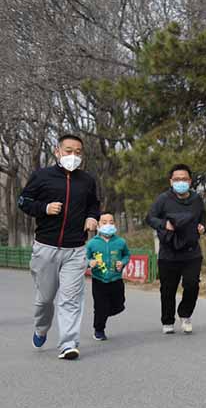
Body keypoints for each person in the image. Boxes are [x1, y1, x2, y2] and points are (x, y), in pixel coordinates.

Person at [17, 134, 100, 360]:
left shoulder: (87, 180)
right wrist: (44, 208)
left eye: (78, 152)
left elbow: (94, 205)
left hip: (75, 249)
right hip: (46, 247)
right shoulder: (42, 176)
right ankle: (41, 328)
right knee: (44, 299)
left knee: (71, 299)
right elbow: (23, 201)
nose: (73, 156)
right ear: (57, 151)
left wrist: (92, 217)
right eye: (68, 151)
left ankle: (68, 343)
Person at [146, 164, 206, 334]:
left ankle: (185, 313)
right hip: (168, 252)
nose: (181, 182)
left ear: (190, 181)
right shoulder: (163, 199)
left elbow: (202, 216)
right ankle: (167, 321)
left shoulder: (196, 199)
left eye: (184, 179)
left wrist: (203, 227)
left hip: (191, 251)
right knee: (168, 289)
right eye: (177, 179)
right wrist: (163, 224)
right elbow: (150, 218)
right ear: (171, 181)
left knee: (192, 284)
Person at [86, 212, 130, 341]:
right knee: (100, 306)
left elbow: (127, 255)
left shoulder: (120, 242)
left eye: (111, 222)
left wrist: (122, 263)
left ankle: (105, 312)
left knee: (119, 305)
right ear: (98, 225)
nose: (108, 225)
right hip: (99, 279)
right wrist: (90, 263)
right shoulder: (92, 243)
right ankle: (99, 330)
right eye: (104, 222)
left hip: (116, 279)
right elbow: (85, 258)